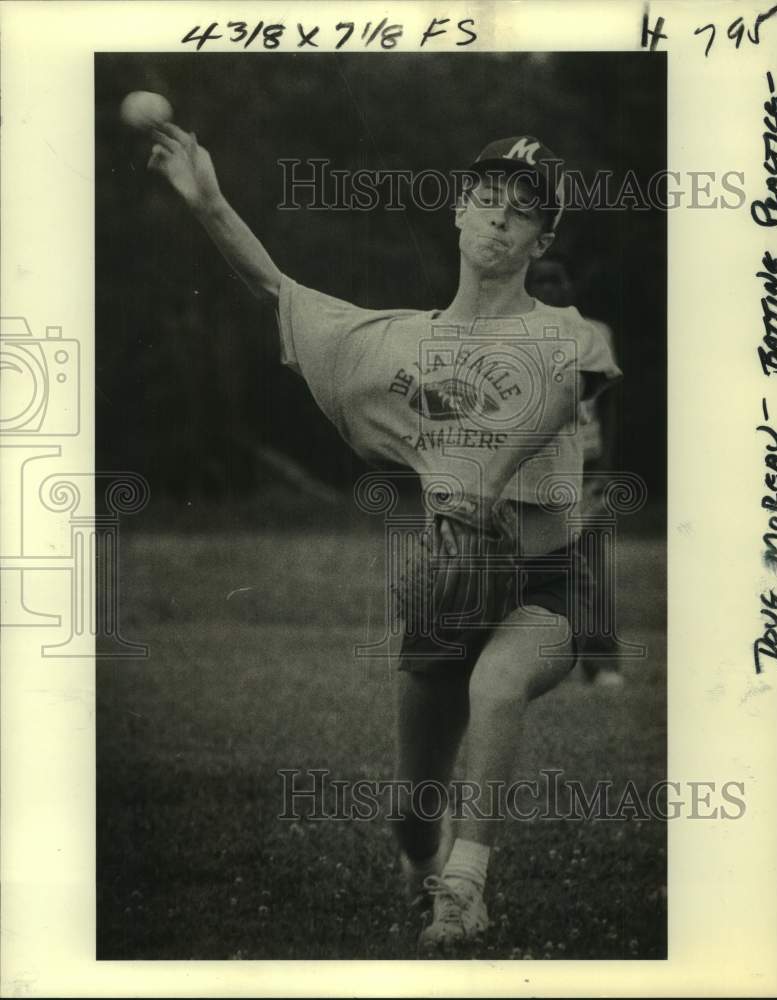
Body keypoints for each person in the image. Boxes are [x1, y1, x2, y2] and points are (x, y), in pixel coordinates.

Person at [147, 126, 622, 949]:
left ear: (541, 239)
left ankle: (465, 892)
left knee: (499, 685)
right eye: (486, 198)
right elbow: (277, 289)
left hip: (547, 579)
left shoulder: (563, 328)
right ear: (457, 211)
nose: (499, 219)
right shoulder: (398, 343)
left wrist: (485, 478)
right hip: (448, 588)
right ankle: (422, 864)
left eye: (522, 211)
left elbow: (559, 388)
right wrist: (210, 202)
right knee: (410, 810)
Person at [526, 255, 624, 687]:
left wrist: (607, 466)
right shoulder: (520, 333)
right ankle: (533, 659)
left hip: (586, 469)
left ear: (569, 287)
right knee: (533, 566)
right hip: (539, 471)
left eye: (556, 279)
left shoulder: (596, 334)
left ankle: (602, 663)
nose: (550, 288)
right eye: (540, 281)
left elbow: (611, 406)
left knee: (594, 566)